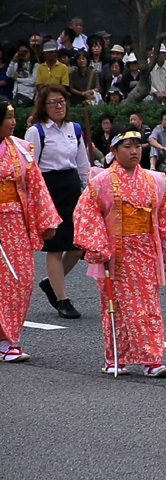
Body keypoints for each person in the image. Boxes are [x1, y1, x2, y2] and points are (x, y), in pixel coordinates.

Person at [72, 124, 166, 377]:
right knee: (115, 307)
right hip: (114, 253)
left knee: (147, 306)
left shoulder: (155, 180)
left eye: (137, 146)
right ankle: (116, 356)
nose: (134, 151)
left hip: (145, 250)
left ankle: (152, 358)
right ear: (114, 150)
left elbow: (162, 216)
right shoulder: (102, 182)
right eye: (127, 147)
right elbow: (86, 214)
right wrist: (98, 246)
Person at [0, 102, 61, 362]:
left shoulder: (22, 150)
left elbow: (36, 185)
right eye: (8, 117)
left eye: (14, 117)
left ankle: (8, 338)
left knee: (19, 279)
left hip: (15, 222)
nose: (13, 122)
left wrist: (46, 221)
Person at [25, 85, 89, 319]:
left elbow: (82, 164)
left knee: (79, 244)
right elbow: (30, 167)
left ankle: (51, 282)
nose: (59, 106)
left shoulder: (75, 129)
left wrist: (90, 190)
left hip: (71, 186)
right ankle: (62, 299)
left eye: (62, 101)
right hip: (48, 188)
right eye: (53, 102)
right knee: (55, 245)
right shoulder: (37, 131)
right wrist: (36, 199)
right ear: (43, 106)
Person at [8, 42, 39, 108]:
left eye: (25, 51)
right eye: (21, 52)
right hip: (16, 94)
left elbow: (33, 81)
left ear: (30, 52)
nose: (24, 54)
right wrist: (13, 61)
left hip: (28, 95)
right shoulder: (17, 64)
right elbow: (9, 74)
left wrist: (17, 79)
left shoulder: (36, 65)